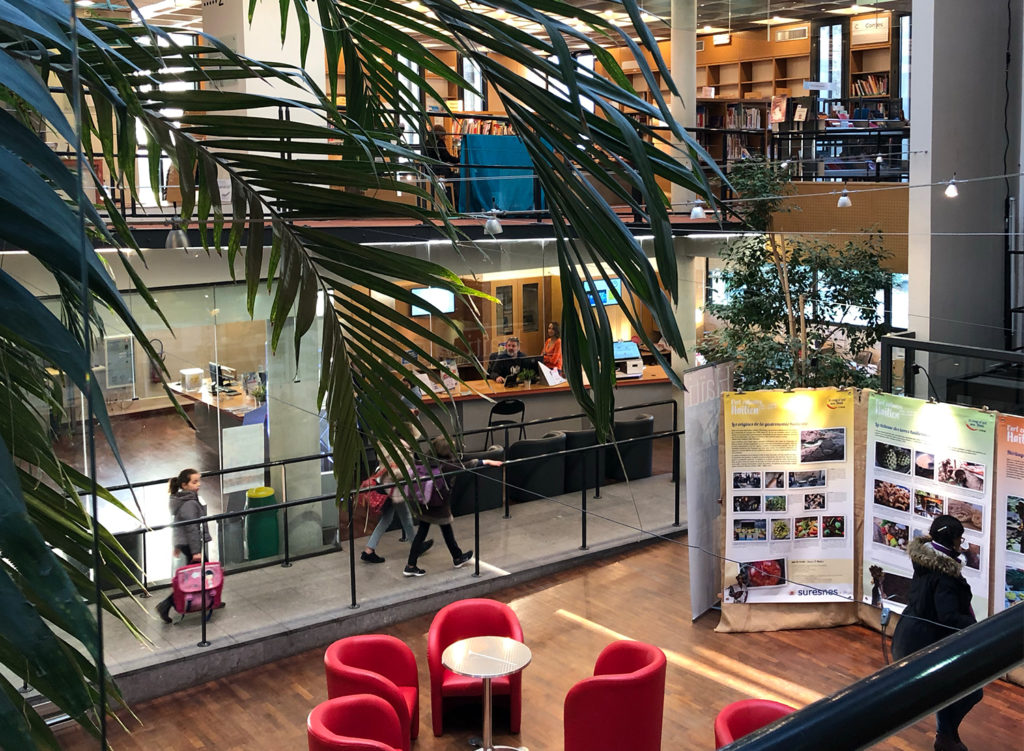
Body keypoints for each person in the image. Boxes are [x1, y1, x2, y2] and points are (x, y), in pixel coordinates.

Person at [891, 515, 983, 751]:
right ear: (951, 540)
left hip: (911, 637)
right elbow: (948, 616)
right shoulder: (944, 574)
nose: (961, 544)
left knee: (950, 690)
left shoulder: (925, 560)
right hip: (924, 644)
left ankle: (946, 736)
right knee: (971, 691)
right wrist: (977, 627)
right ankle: (946, 736)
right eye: (959, 538)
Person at [403, 436, 500, 577]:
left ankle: (413, 564)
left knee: (425, 532)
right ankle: (456, 557)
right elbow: (468, 465)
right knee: (445, 530)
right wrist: (487, 461)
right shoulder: (446, 466)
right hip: (439, 504)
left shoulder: (424, 460)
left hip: (425, 502)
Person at [362, 440, 432, 564]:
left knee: (388, 519)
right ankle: (416, 546)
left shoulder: (386, 445)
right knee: (405, 518)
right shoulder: (399, 449)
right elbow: (397, 472)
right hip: (393, 489)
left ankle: (369, 550)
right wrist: (411, 472)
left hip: (387, 486)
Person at [156, 468, 211, 624]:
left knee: (200, 575)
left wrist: (177, 545)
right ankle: (168, 604)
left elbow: (177, 525)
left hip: (185, 543)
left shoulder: (183, 500)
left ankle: (208, 601)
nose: (198, 484)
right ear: (184, 485)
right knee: (197, 576)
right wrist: (196, 552)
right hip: (191, 545)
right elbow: (192, 528)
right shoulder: (189, 504)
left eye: (198, 480)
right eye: (194, 482)